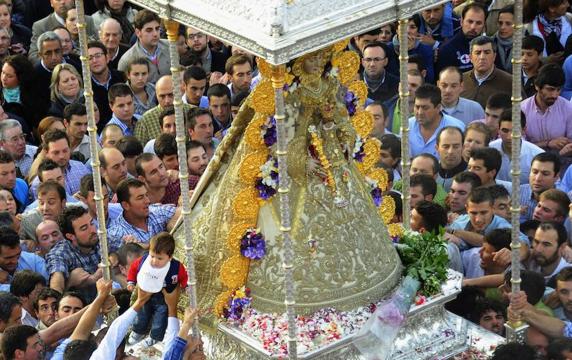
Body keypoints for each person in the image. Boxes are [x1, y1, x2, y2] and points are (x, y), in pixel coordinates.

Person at [176, 48, 403, 322]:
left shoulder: (330, 82)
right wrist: (300, 161)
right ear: (299, 61)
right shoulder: (292, 92)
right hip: (300, 165)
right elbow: (287, 131)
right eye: (312, 57)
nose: (318, 62)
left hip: (333, 158)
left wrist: (345, 135)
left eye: (322, 57)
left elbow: (342, 115)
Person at [126, 232, 187, 346]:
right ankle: (137, 331)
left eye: (159, 258)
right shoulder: (144, 261)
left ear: (170, 257)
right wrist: (131, 281)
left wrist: (185, 285)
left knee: (161, 316)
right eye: (152, 256)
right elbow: (134, 269)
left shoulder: (176, 267)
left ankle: (155, 337)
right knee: (142, 313)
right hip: (146, 292)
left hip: (164, 297)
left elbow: (183, 276)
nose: (154, 261)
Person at [46, 206, 105, 302]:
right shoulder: (60, 253)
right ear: (71, 236)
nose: (93, 230)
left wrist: (110, 260)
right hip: (81, 312)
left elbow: (120, 251)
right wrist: (70, 283)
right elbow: (56, 283)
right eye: (84, 228)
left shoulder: (99, 238)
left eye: (91, 223)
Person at [107, 178, 180, 250]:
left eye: (146, 195)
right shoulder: (115, 233)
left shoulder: (154, 211)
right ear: (126, 205)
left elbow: (182, 213)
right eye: (140, 198)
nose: (147, 201)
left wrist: (173, 223)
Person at [522, 64, 572, 153]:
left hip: (562, 163)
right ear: (537, 86)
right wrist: (547, 143)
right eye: (550, 89)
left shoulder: (568, 108)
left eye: (558, 90)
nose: (555, 95)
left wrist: (567, 149)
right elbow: (520, 145)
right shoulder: (522, 110)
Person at [408, 83, 465, 158]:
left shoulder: (457, 127)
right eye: (417, 107)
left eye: (425, 108)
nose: (420, 112)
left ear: (438, 107)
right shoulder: (407, 126)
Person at [30, 129, 89, 198]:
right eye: (56, 152)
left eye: (65, 151)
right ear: (46, 153)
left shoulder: (81, 168)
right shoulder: (38, 184)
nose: (62, 156)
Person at [489, 109, 544, 184]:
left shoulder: (537, 154)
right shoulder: (489, 149)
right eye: (505, 131)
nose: (509, 137)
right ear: (498, 130)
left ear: (524, 130)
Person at [118, 10, 170, 85]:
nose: (155, 34)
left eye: (157, 29)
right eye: (149, 30)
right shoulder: (127, 60)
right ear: (138, 32)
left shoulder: (170, 47)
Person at [460, 35, 513, 109]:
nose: (482, 57)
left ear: (494, 56)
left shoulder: (510, 82)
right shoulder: (460, 80)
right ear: (470, 57)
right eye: (478, 53)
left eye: (487, 52)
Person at [435, 3, 486, 74]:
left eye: (478, 23)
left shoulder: (490, 48)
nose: (473, 27)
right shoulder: (447, 49)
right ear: (461, 21)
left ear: (484, 25)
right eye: (470, 21)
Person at [88, 40, 125, 125]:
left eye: (98, 56)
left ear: (107, 58)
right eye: (89, 58)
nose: (94, 61)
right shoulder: (86, 86)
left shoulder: (121, 77)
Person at [520, 152, 560, 221]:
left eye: (545, 174)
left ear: (556, 176)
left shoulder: (564, 201)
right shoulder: (516, 193)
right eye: (535, 172)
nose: (537, 178)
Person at [0, 55, 37, 130]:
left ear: (21, 78)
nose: (4, 78)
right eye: (3, 73)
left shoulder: (31, 96)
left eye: (9, 76)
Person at [435, 126, 465, 192]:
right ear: (437, 148)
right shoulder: (430, 172)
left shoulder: (471, 174)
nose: (450, 151)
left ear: (463, 147)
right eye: (446, 147)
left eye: (456, 147)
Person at [492, 6, 514, 73]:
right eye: (500, 23)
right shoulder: (490, 42)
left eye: (508, 23)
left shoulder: (527, 43)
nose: (502, 27)